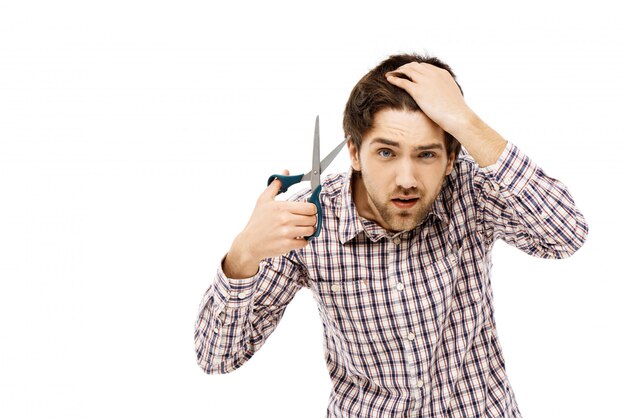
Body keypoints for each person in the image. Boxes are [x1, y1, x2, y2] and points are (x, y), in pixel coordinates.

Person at [194, 53, 588, 417]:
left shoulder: (472, 188)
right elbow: (217, 358)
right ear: (353, 152)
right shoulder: (308, 218)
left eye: (427, 154)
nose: (406, 180)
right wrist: (242, 255)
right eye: (385, 152)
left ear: (452, 159)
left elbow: (567, 235)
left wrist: (466, 122)